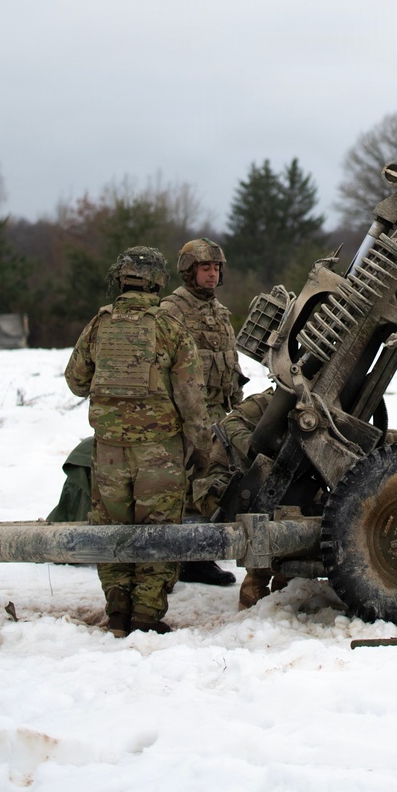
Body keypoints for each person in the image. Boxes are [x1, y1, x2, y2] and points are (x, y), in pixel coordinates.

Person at [64, 245, 210, 636]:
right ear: (159, 281)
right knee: (158, 533)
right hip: (159, 452)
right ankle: (145, 618)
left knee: (111, 530)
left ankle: (117, 614)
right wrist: (201, 447)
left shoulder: (101, 324)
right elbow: (192, 399)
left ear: (121, 277)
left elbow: (76, 381)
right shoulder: (169, 326)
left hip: (109, 450)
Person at [158, 237, 246, 586]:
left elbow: (230, 361)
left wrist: (236, 402)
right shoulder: (171, 311)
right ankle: (185, 560)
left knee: (211, 484)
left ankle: (199, 557)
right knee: (187, 487)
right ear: (188, 272)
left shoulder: (218, 311)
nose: (212, 275)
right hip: (187, 415)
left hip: (218, 411)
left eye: (216, 268)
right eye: (205, 268)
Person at [191, 385, 288, 610]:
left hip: (256, 483)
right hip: (220, 486)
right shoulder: (266, 403)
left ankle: (287, 584)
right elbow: (230, 424)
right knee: (266, 509)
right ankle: (254, 587)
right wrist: (261, 451)